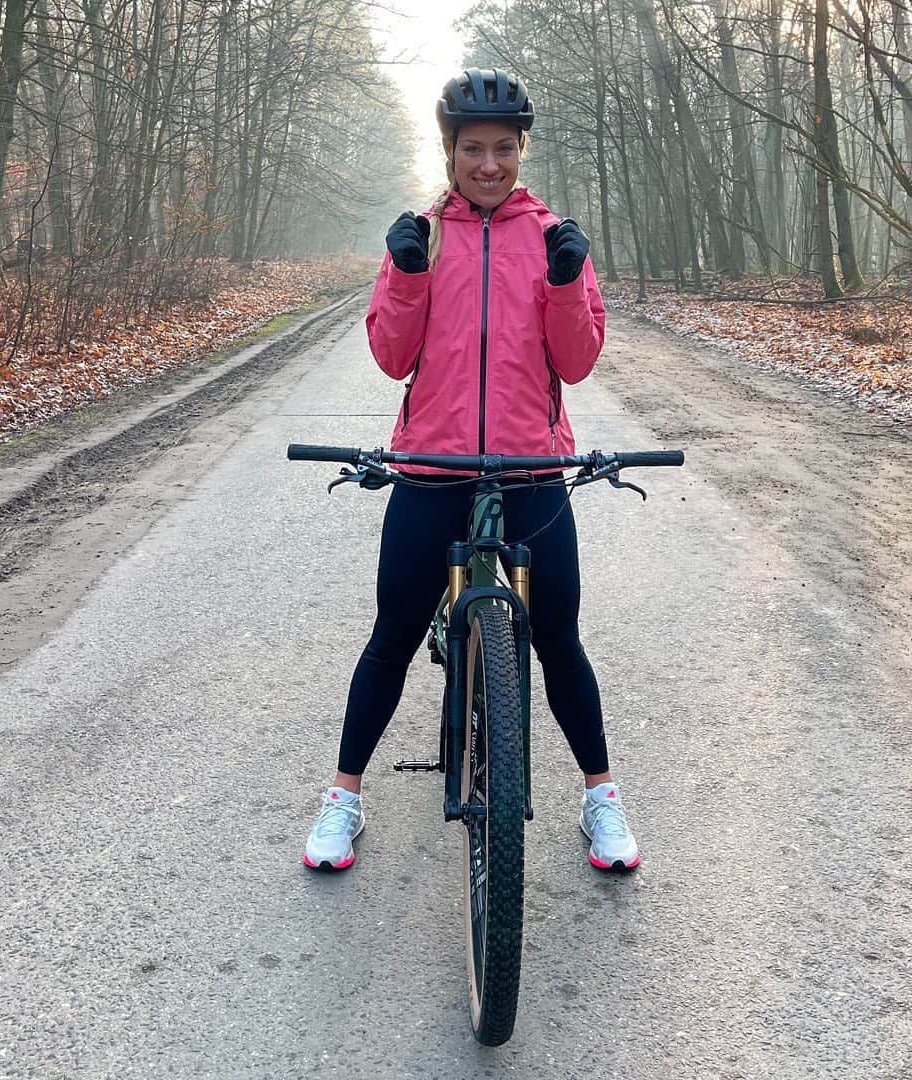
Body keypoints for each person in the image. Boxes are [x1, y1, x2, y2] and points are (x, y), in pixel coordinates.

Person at [303, 68, 640, 873]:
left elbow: (579, 361)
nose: (488, 164)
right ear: (450, 153)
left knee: (558, 637)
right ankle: (343, 799)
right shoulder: (425, 234)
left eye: (502, 149)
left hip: (531, 471)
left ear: (521, 150)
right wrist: (410, 274)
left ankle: (603, 800)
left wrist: (564, 284)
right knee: (389, 638)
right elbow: (391, 359)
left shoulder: (555, 236)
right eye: (471, 149)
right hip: (431, 465)